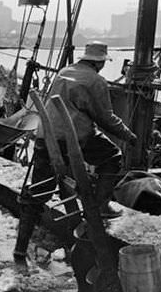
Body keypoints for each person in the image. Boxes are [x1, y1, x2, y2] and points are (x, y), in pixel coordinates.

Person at [14, 41, 137, 259]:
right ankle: (100, 206)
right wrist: (128, 135)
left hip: (45, 137)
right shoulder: (96, 80)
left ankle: (19, 248)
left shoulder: (64, 71)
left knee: (39, 191)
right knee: (112, 157)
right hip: (75, 140)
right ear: (99, 63)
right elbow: (105, 118)